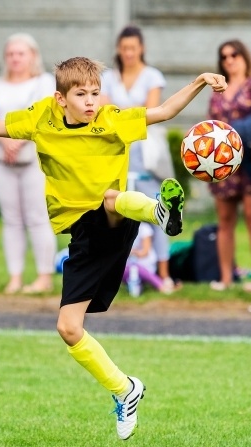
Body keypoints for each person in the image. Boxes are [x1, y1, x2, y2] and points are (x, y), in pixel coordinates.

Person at [0, 50, 226, 439]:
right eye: (82, 94)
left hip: (116, 217)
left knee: (110, 199)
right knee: (68, 327)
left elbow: (165, 112)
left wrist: (200, 80)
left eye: (96, 93)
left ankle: (160, 213)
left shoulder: (112, 119)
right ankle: (125, 389)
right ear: (61, 98)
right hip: (81, 235)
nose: (91, 102)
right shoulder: (41, 118)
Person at [101, 25, 176, 293]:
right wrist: (127, 115)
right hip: (118, 153)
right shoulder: (109, 77)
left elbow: (151, 112)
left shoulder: (152, 76)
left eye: (133, 48)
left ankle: (164, 274)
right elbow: (105, 110)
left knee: (157, 208)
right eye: (124, 48)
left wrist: (122, 115)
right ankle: (118, 270)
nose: (129, 53)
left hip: (146, 156)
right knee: (116, 211)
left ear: (141, 48)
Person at [0, 33, 57, 294]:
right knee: (11, 219)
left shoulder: (44, 83)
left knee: (37, 217)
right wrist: (5, 142)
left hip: (33, 159)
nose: (15, 58)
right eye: (11, 54)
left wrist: (18, 141)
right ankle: (14, 277)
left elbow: (44, 115)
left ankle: (43, 276)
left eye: (21, 53)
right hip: (1, 159)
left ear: (32, 56)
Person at [206, 39, 251, 293]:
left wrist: (232, 134)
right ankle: (226, 278)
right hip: (223, 165)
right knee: (225, 220)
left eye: (234, 54)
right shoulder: (216, 91)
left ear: (244, 56)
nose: (229, 60)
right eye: (224, 56)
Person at [122, 222, 177, 295]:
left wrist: (131, 252)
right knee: (130, 269)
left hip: (143, 264)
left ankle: (161, 285)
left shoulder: (144, 228)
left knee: (137, 268)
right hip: (131, 265)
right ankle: (137, 286)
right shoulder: (125, 229)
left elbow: (145, 252)